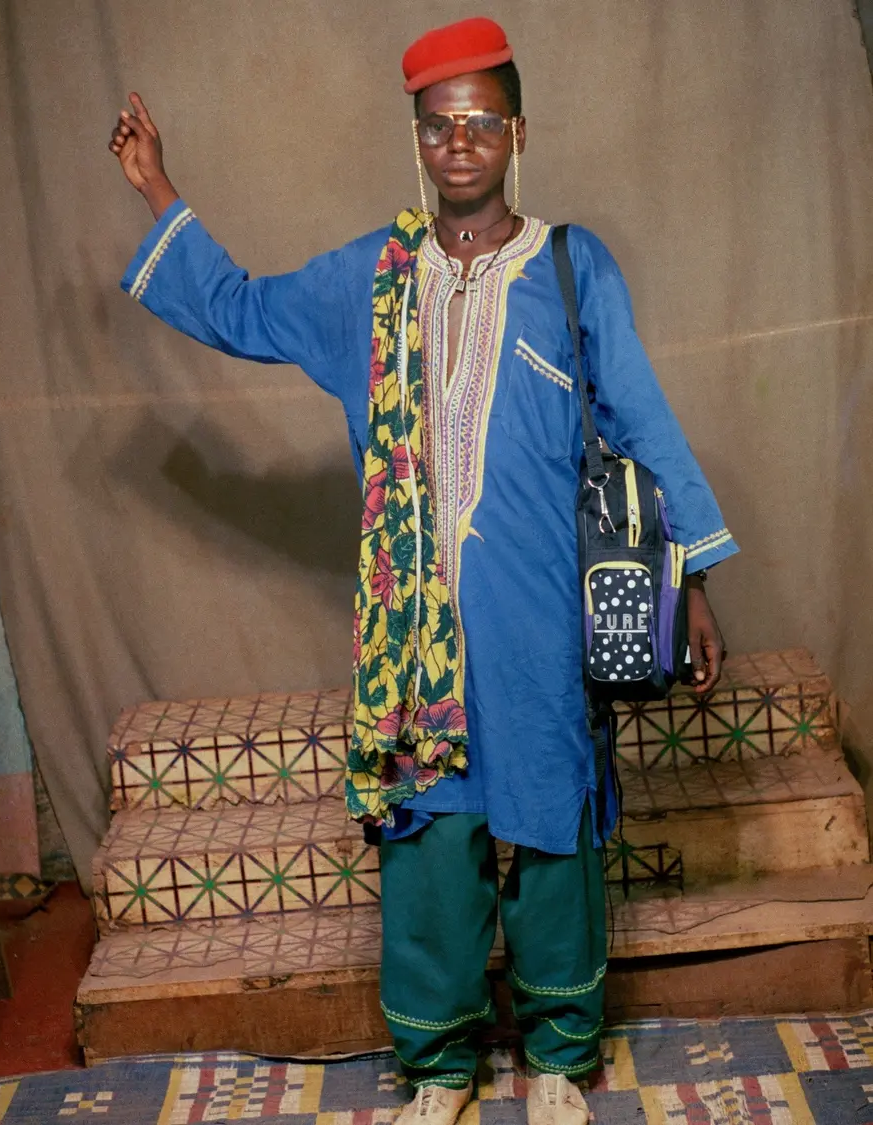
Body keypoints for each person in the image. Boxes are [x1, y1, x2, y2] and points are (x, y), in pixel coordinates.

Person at [108, 17, 736, 1125]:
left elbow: (640, 419)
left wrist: (695, 580)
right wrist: (161, 191)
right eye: (440, 125)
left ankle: (559, 1059)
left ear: (517, 133)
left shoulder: (571, 265)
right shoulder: (370, 277)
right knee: (430, 837)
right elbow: (246, 310)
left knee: (553, 824)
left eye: (481, 122)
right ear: (417, 139)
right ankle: (442, 1068)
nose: (460, 143)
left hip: (540, 611)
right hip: (414, 632)